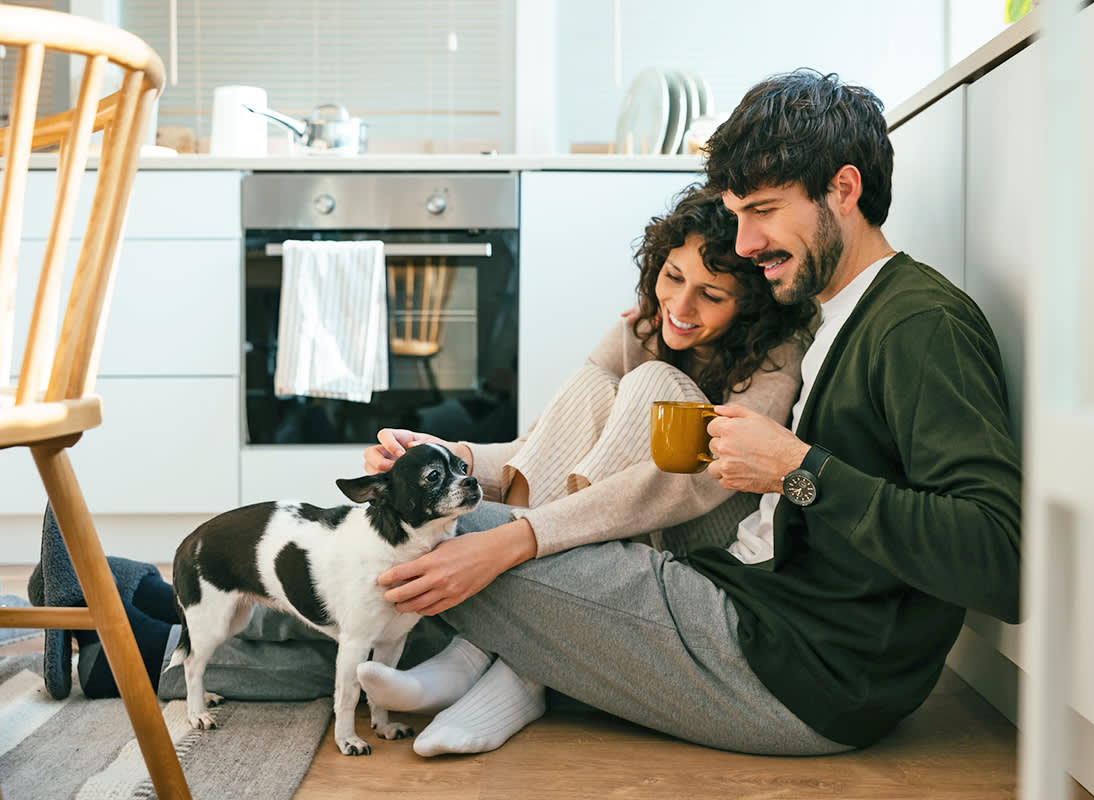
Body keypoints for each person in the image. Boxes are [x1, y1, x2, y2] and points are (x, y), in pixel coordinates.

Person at [370, 67, 1022, 757]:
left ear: (845, 189)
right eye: (736, 215)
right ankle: (259, 636)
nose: (743, 244)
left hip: (797, 667)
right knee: (386, 549)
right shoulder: (826, 316)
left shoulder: (921, 324)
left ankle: (489, 663)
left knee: (423, 528)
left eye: (763, 211)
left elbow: (998, 559)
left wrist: (799, 470)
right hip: (737, 598)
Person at [32, 185, 810, 725]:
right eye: (673, 277)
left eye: (710, 295)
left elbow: (671, 498)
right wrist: (455, 453)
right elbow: (544, 443)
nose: (679, 306)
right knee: (374, 587)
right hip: (570, 533)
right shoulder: (644, 324)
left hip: (652, 559)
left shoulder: (772, 361)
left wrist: (511, 539)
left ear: (750, 300)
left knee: (394, 603)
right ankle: (122, 597)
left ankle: (119, 632)